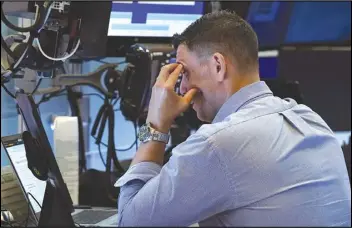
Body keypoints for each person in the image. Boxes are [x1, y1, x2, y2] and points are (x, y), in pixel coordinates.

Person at [115, 11, 351, 226]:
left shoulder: (219, 144)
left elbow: (130, 222)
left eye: (184, 72)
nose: (182, 87)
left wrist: (155, 124)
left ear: (218, 65)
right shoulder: (310, 119)